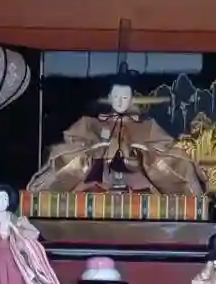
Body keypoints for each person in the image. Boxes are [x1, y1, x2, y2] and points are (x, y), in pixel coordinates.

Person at [27, 82, 206, 198]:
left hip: (140, 181)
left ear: (131, 100)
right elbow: (72, 144)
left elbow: (165, 148)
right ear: (110, 98)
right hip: (95, 178)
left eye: (125, 97)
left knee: (181, 162)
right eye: (117, 97)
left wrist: (141, 153)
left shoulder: (147, 126)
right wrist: (97, 150)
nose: (120, 101)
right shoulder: (91, 124)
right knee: (60, 156)